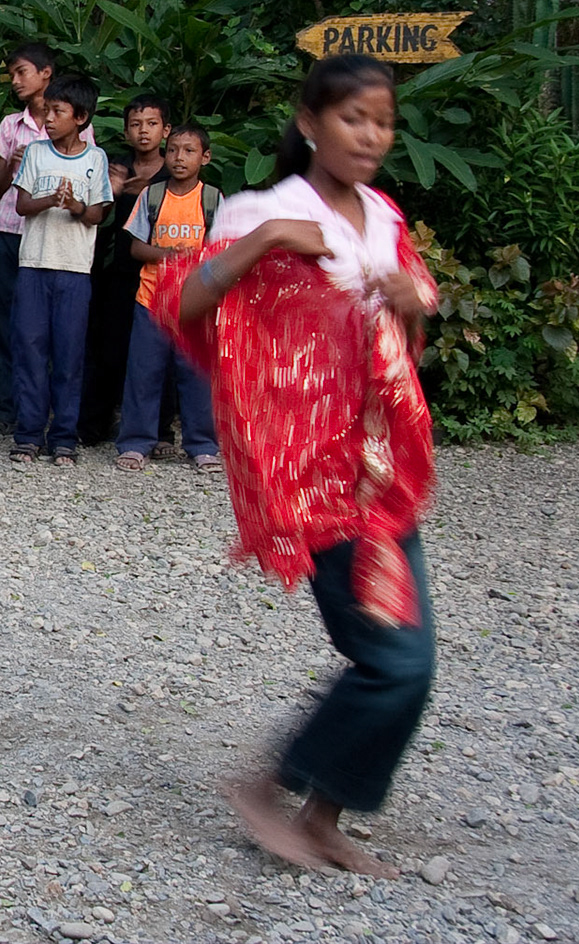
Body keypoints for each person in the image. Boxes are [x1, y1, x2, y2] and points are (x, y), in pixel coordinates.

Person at [158, 53, 438, 877]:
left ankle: (318, 815)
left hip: (378, 467)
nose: (372, 135)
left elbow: (411, 305)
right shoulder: (264, 208)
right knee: (396, 660)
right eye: (355, 118)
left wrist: (417, 300)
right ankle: (268, 787)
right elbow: (184, 302)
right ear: (311, 124)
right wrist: (272, 240)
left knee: (400, 660)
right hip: (306, 471)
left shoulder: (383, 215)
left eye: (383, 121)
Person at [10, 73, 112, 465]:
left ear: (81, 117)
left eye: (57, 111)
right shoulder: (36, 153)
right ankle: (29, 433)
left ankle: (64, 436)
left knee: (69, 354)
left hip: (74, 269)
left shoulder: (95, 158)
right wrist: (51, 198)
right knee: (30, 349)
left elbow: (98, 214)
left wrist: (76, 207)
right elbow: (21, 206)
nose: (48, 118)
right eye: (47, 111)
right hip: (34, 263)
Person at [113, 123, 222, 472]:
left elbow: (223, 251)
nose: (179, 158)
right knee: (144, 374)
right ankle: (135, 443)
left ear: (205, 157)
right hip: (152, 301)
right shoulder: (152, 196)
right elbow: (135, 248)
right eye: (173, 150)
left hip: (196, 304)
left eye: (189, 151)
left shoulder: (212, 200)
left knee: (196, 377)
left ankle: (202, 444)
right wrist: (169, 254)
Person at [82, 92, 173, 445]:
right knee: (110, 347)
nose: (143, 132)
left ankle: (160, 430)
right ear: (125, 131)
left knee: (160, 353)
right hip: (118, 270)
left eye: (151, 124)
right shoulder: (117, 167)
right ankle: (93, 426)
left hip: (162, 274)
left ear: (165, 130)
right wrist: (114, 190)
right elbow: (96, 216)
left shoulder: (175, 171)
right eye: (135, 125)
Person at [0, 42, 54, 437]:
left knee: (40, 326)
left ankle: (37, 410)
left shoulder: (76, 123)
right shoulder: (11, 124)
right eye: (13, 73)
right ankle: (6, 409)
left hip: (48, 237)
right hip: (6, 230)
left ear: (46, 73)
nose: (16, 80)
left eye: (23, 71)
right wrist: (12, 164)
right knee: (1, 322)